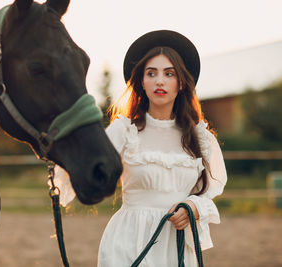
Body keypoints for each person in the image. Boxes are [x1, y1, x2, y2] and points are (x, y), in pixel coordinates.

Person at [54, 30, 227, 266]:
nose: (159, 81)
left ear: (181, 83)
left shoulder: (200, 138)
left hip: (176, 246)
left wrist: (194, 207)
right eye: (151, 73)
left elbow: (212, 189)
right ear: (141, 82)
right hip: (128, 242)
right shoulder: (124, 130)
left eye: (169, 73)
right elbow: (86, 162)